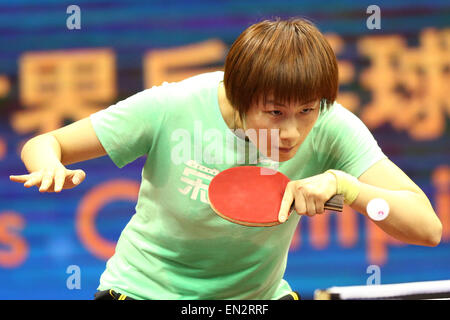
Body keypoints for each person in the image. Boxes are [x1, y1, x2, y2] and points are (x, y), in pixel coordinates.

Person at [10, 17, 442, 300]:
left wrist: (348, 188)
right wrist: (48, 164)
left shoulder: (332, 124)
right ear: (238, 95)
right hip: (143, 293)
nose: (292, 131)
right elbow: (47, 142)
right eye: (274, 112)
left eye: (306, 111)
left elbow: (427, 228)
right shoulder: (172, 107)